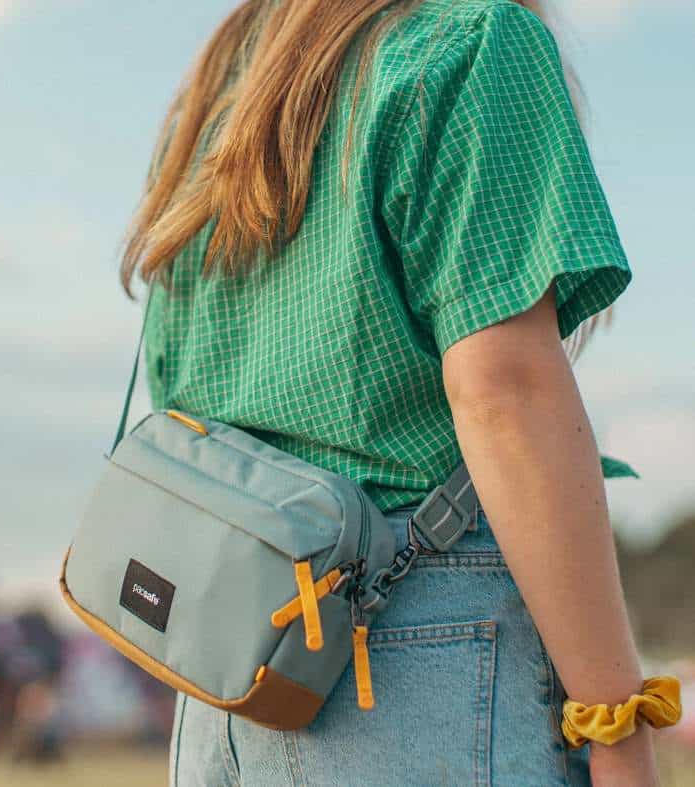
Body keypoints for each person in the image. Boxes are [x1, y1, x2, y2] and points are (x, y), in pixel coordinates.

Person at [119, 1, 663, 784]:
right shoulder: (467, 39)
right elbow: (506, 396)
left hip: (225, 680)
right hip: (416, 643)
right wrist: (616, 725)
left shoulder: (221, 84)